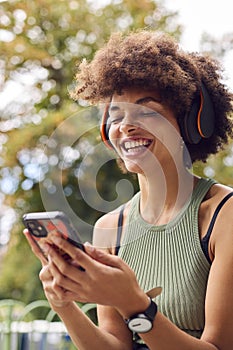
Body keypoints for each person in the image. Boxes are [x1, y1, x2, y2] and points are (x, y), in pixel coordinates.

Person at [24, 30, 233, 350]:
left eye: (147, 110)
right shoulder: (111, 229)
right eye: (117, 114)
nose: (125, 125)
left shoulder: (224, 215)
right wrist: (63, 305)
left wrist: (136, 306)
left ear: (191, 122)